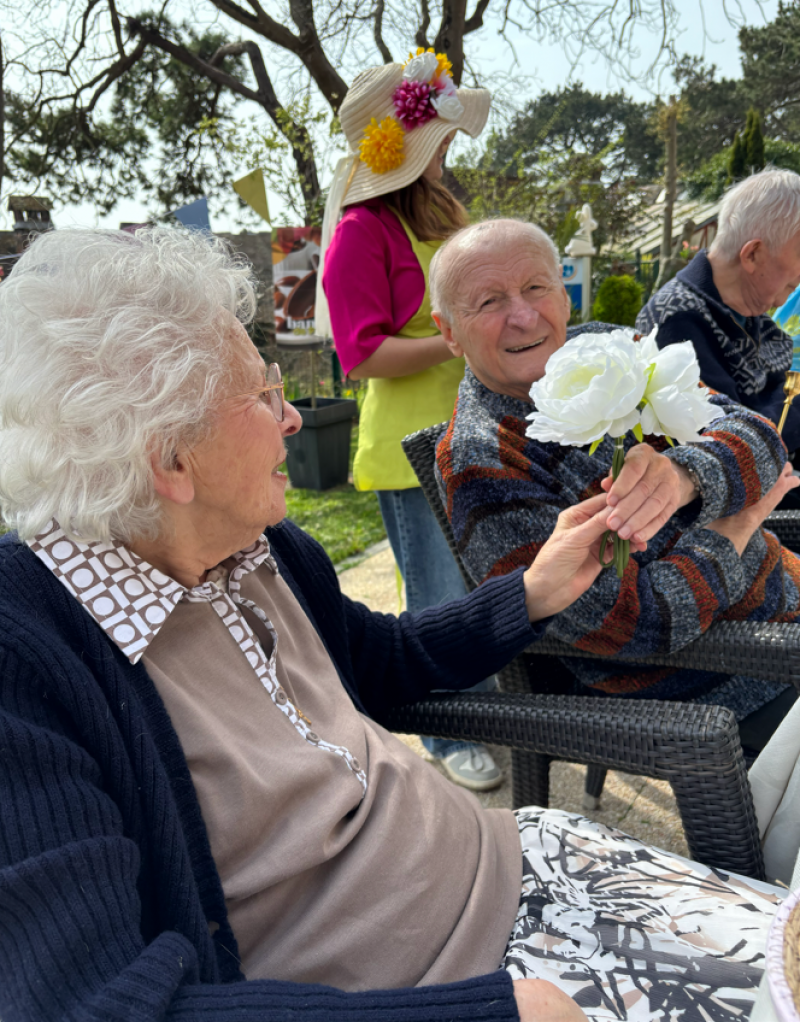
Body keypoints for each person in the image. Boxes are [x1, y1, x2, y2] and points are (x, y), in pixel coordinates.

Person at [0, 226, 786, 1022]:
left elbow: (379, 659)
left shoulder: (256, 547)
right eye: (264, 396)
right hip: (453, 984)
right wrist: (497, 1013)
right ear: (170, 459)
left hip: (520, 863)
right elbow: (91, 1005)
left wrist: (530, 593)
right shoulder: (26, 657)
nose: (293, 419)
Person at [433, 218, 800, 746]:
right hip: (719, 681)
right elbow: (641, 625)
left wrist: (685, 476)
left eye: (536, 287)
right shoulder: (482, 456)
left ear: (563, 296)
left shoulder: (607, 346)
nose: (523, 316)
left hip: (781, 599)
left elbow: (760, 436)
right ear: (449, 332)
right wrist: (736, 526)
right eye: (489, 302)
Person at [319, 54, 500, 790]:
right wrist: (458, 340)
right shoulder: (360, 232)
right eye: (437, 139)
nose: (447, 148)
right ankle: (446, 733)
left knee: (481, 580)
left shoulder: (440, 213)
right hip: (410, 448)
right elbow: (361, 354)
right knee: (437, 595)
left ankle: (485, 709)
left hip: (472, 430)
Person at [636, 168, 800, 454]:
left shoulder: (746, 307)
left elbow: (781, 396)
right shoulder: (675, 319)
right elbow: (732, 440)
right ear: (752, 255)